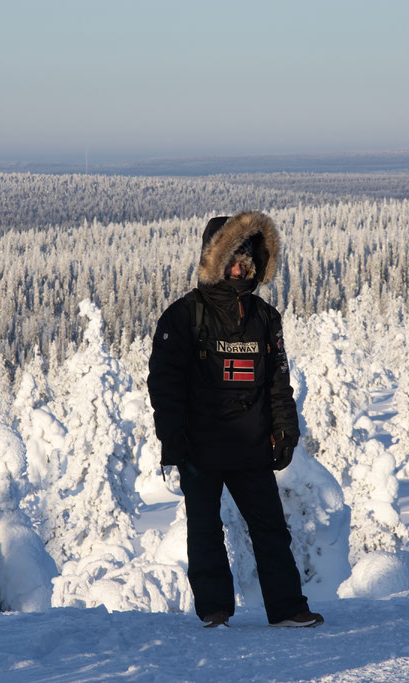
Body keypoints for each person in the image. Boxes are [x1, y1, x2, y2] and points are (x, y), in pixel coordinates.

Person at [147, 211, 323, 628]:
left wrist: (285, 430)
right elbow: (164, 384)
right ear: (213, 261)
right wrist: (172, 439)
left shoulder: (264, 318)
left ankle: (286, 609)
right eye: (231, 259)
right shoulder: (183, 317)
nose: (240, 267)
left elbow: (278, 381)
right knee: (204, 532)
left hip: (251, 446)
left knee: (271, 530)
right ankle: (214, 611)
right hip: (199, 446)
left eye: (246, 259)